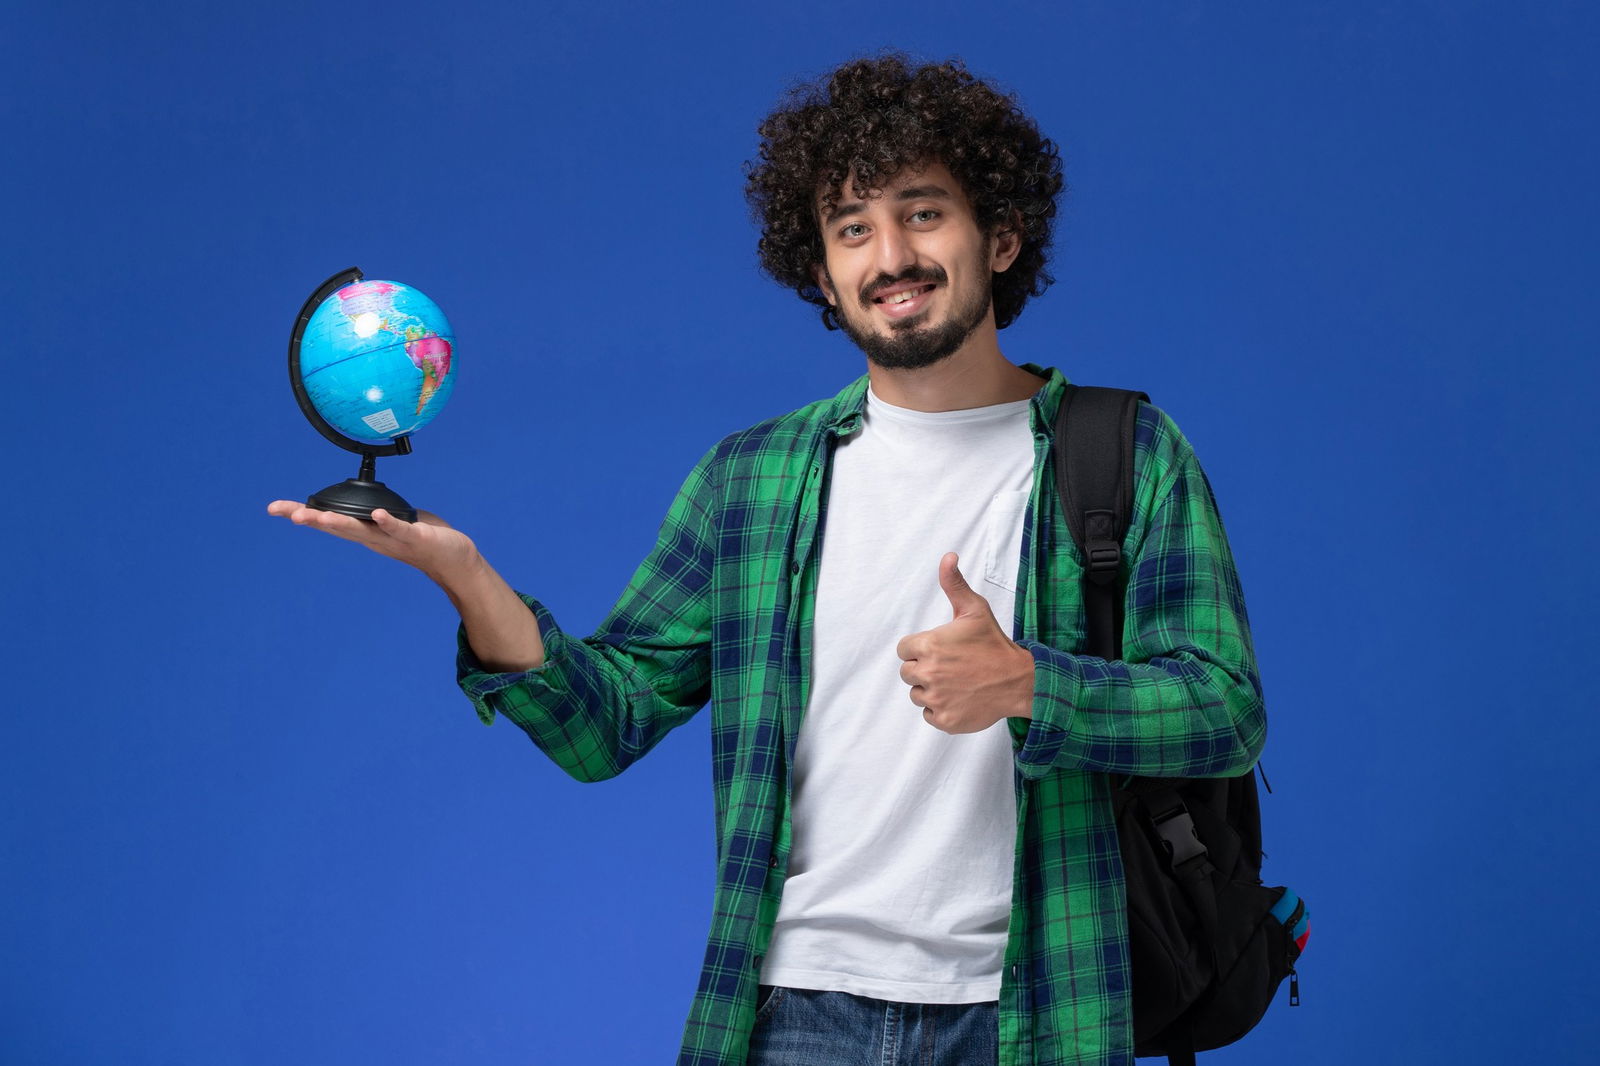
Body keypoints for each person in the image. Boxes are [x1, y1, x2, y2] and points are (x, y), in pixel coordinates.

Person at [269, 54, 1265, 1066]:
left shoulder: (1124, 454)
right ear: (823, 276)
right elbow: (603, 726)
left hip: (1034, 1014)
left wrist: (1028, 683)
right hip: (796, 1016)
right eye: (851, 229)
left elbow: (1225, 709)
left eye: (923, 214)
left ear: (999, 236)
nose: (890, 256)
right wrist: (465, 575)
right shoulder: (750, 480)